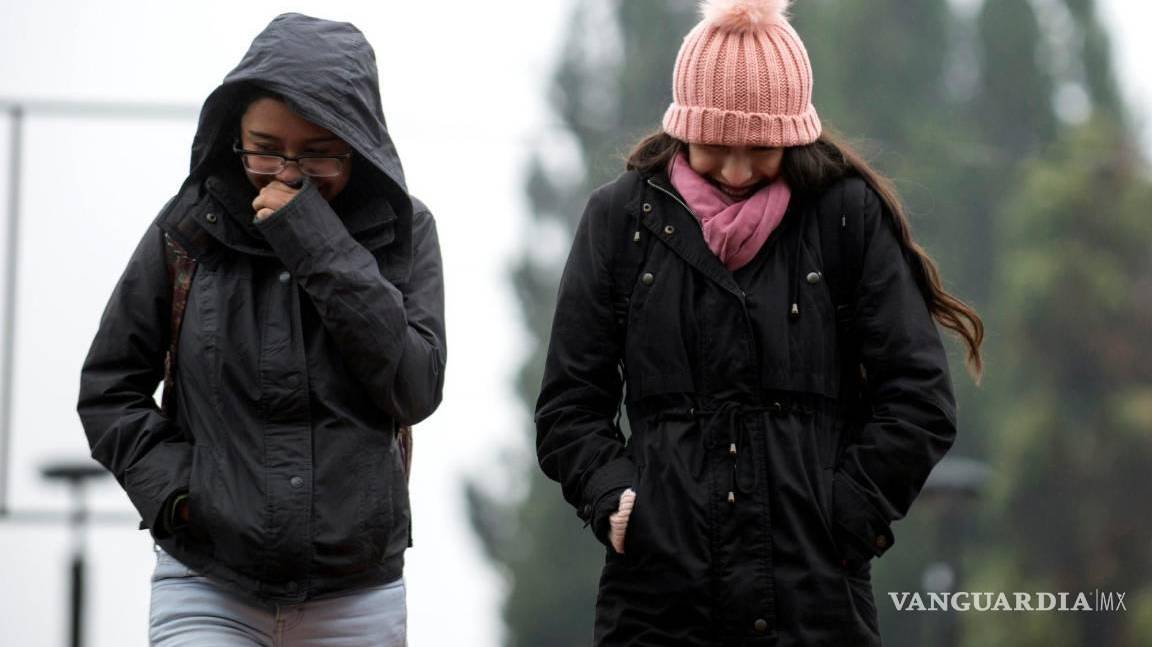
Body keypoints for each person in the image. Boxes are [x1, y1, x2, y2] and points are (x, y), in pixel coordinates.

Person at [535, 0, 984, 644]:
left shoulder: (844, 217)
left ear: (795, 135)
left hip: (815, 605)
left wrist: (849, 518)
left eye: (762, 149)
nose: (739, 171)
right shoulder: (619, 221)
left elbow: (918, 397)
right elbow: (569, 407)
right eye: (717, 146)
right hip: (658, 609)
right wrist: (616, 500)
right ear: (683, 125)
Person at [77, 13, 445, 646]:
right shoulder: (187, 228)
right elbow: (109, 390)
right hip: (207, 583)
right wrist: (182, 498)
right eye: (264, 147)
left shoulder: (403, 231)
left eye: (317, 154)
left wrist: (315, 241)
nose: (285, 173)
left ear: (355, 144)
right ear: (232, 134)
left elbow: (414, 387)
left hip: (357, 595)